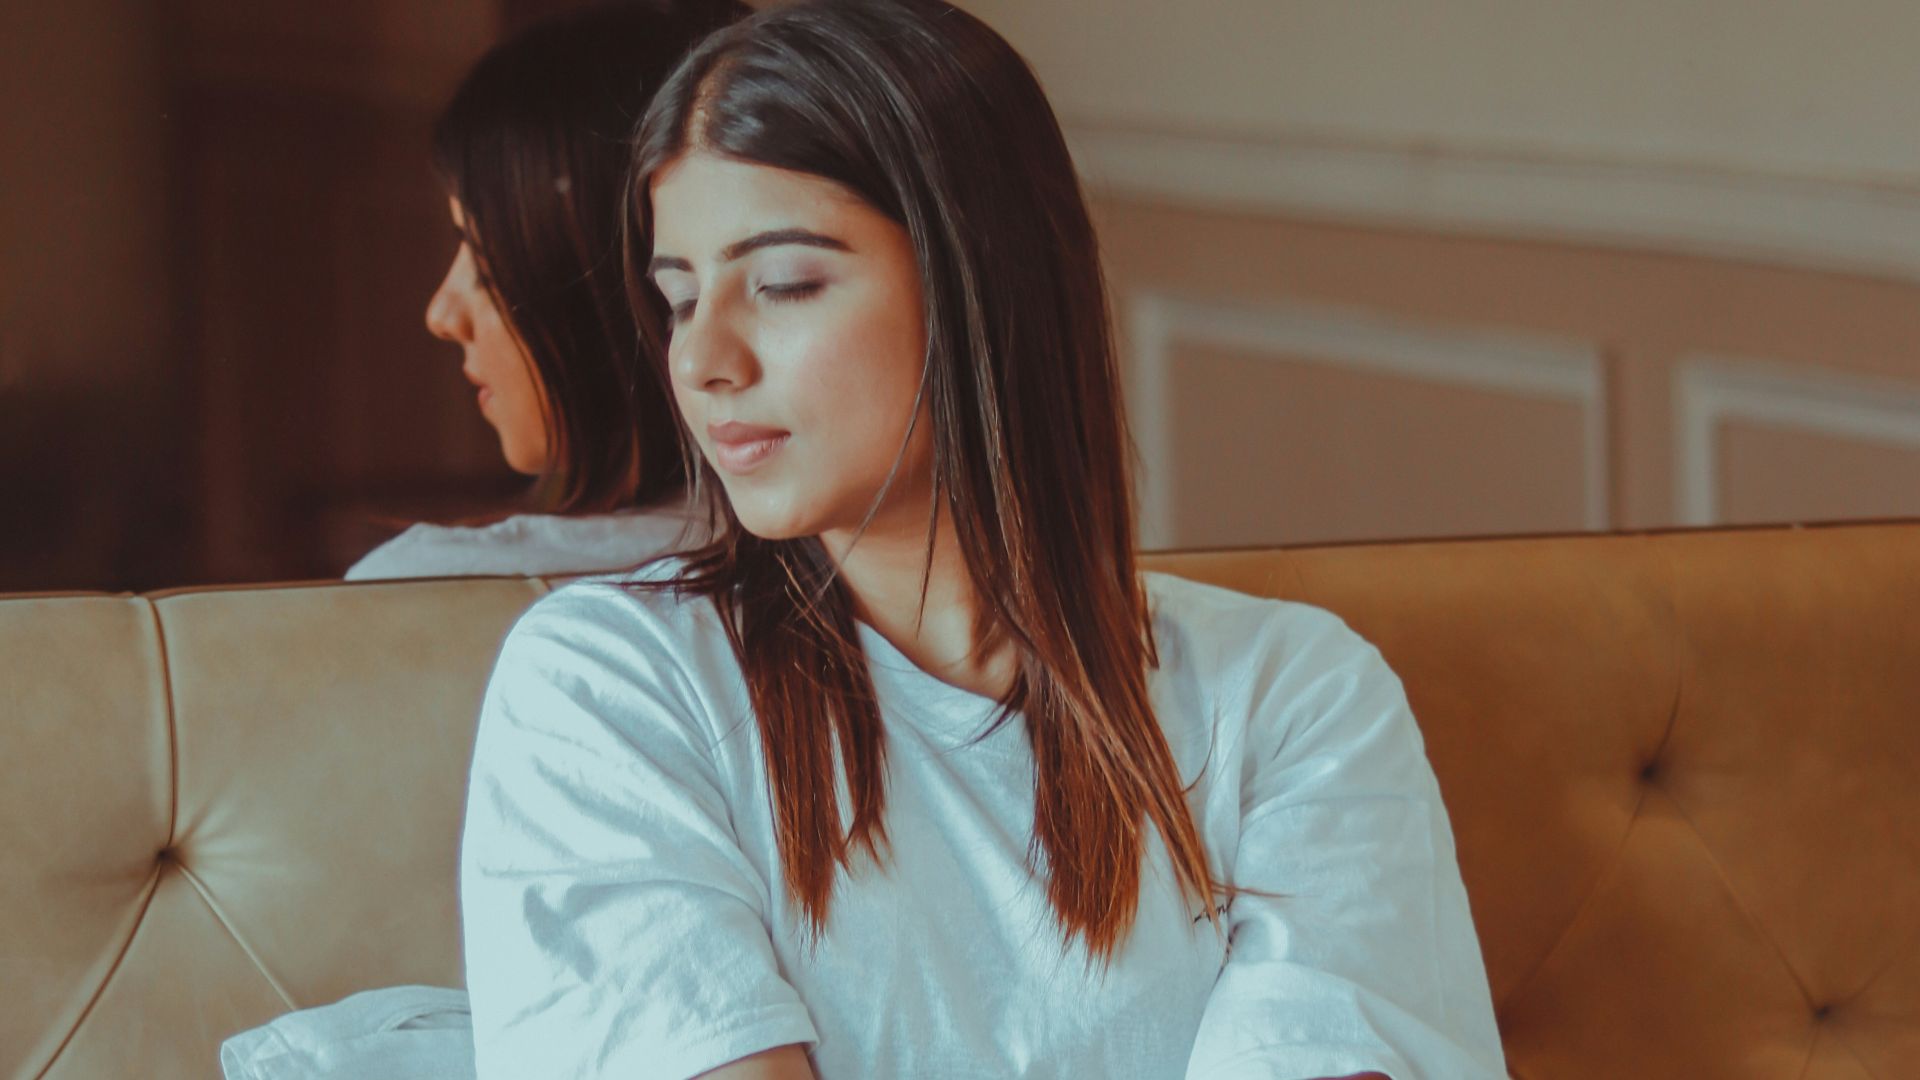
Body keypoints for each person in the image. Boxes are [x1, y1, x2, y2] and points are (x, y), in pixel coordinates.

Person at [460, 1, 1509, 1077]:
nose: (702, 358)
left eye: (783, 284)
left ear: (979, 274)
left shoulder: (1294, 695)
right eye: (677, 299)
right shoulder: (605, 689)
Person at [345, 0, 745, 582]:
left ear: (611, 275)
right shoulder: (837, 569)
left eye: (483, 259)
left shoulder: (408, 591)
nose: (441, 314)